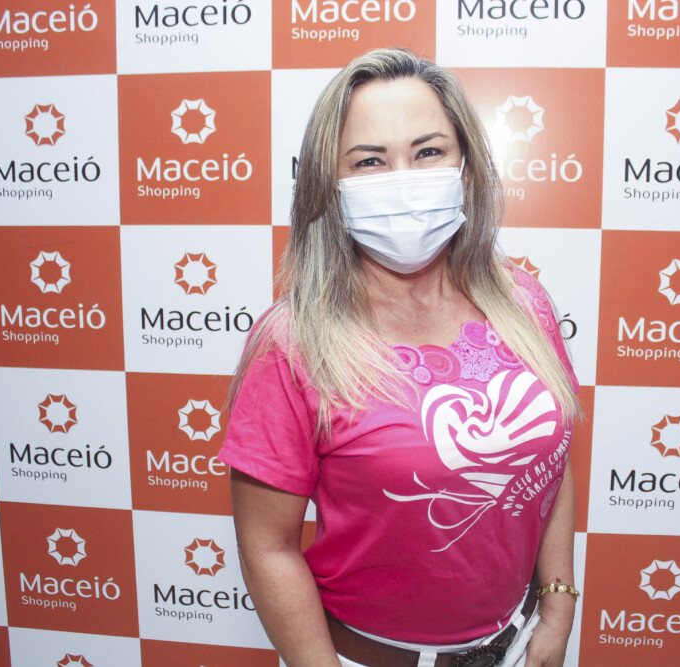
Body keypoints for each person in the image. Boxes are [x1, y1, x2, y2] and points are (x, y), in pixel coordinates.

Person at [220, 47, 581, 667]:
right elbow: (267, 547)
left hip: (518, 645)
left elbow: (548, 457)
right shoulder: (292, 344)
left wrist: (558, 602)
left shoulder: (523, 303)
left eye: (428, 152)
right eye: (370, 161)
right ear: (329, 186)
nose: (403, 179)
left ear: (465, 164)